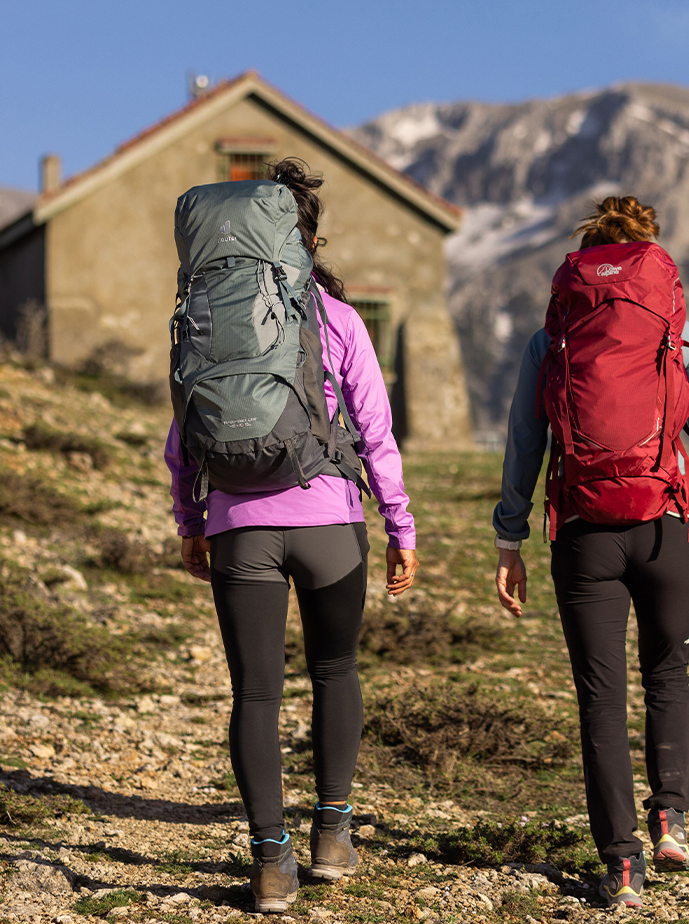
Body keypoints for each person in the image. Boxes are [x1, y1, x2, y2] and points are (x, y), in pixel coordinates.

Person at [166, 158, 419, 915]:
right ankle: (333, 834)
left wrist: (192, 523)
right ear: (303, 241)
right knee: (335, 672)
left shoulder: (203, 313)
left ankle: (271, 864)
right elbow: (376, 432)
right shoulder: (338, 318)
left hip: (239, 526)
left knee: (254, 693)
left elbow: (181, 439)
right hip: (331, 527)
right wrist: (400, 525)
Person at [490, 196, 689, 908]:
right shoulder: (680, 335)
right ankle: (671, 821)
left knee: (600, 699)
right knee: (668, 672)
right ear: (651, 259)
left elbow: (523, 443)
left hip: (583, 532)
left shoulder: (553, 339)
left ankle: (623, 867)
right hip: (669, 527)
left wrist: (510, 538)